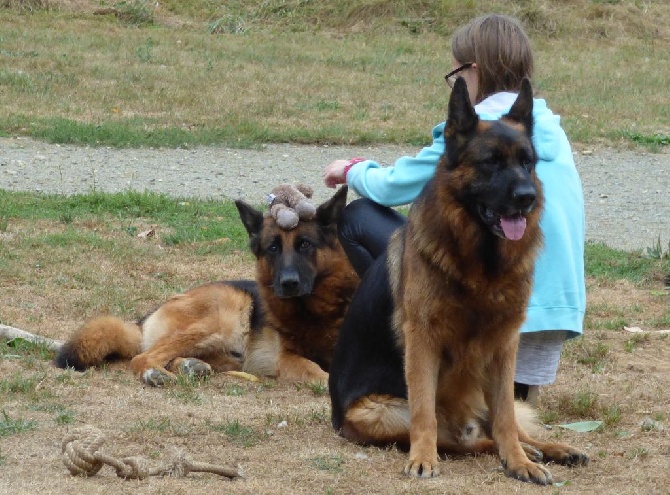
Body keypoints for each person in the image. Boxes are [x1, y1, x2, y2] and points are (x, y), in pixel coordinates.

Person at [322, 13, 586, 405]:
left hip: (495, 310)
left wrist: (351, 169)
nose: (453, 79)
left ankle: (413, 344)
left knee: (359, 219)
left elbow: (393, 186)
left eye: (455, 73)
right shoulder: (542, 129)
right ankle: (505, 403)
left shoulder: (478, 135)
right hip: (558, 309)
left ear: (472, 72)